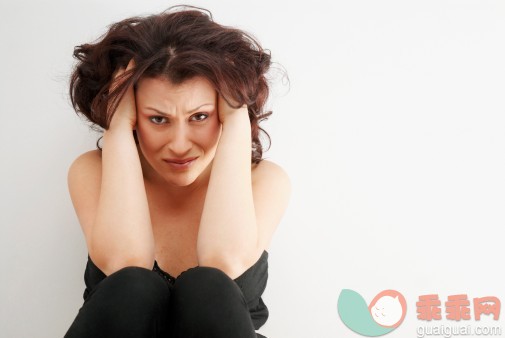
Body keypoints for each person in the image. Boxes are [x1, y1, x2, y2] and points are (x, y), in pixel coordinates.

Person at [64, 5, 290, 338]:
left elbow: (222, 263)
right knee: (132, 287)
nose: (180, 144)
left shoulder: (265, 181)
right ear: (132, 116)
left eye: (199, 116)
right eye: (158, 119)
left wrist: (239, 120)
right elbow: (125, 262)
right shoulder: (91, 172)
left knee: (209, 287)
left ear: (224, 112)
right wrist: (117, 123)